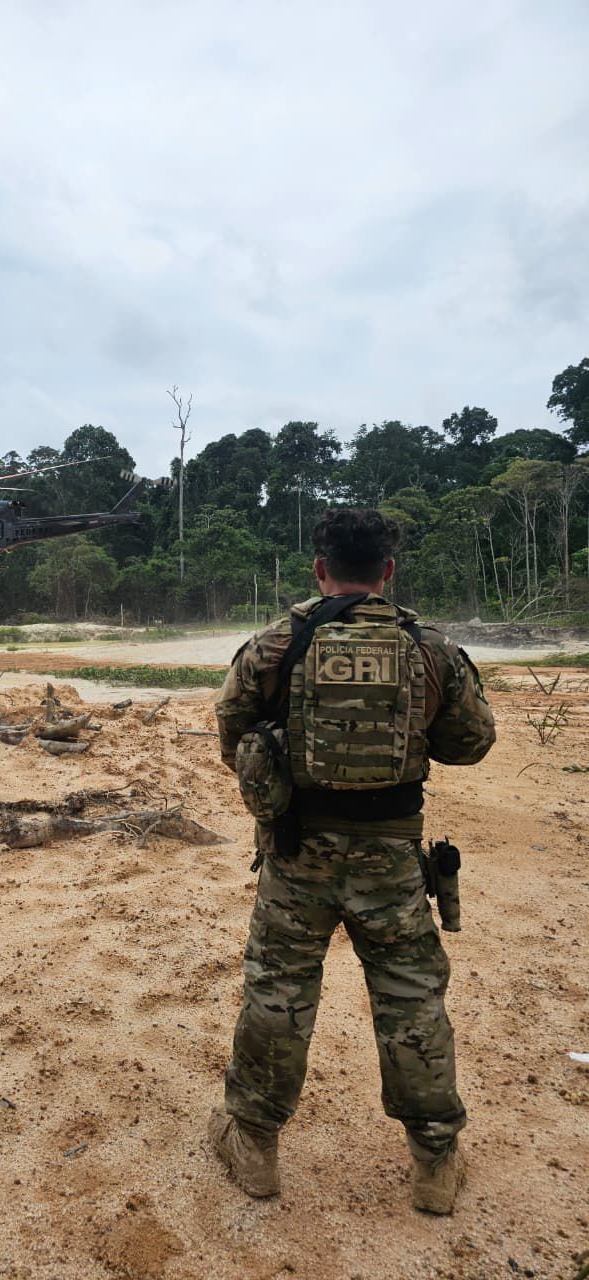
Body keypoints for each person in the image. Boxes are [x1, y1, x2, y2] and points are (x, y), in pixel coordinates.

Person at [209, 508, 495, 1214]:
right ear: (388, 572)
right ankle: (434, 1162)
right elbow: (471, 744)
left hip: (295, 853)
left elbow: (231, 735)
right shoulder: (429, 648)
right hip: (391, 861)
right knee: (410, 1000)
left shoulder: (276, 645)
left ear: (319, 568)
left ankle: (255, 1147)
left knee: (278, 993)